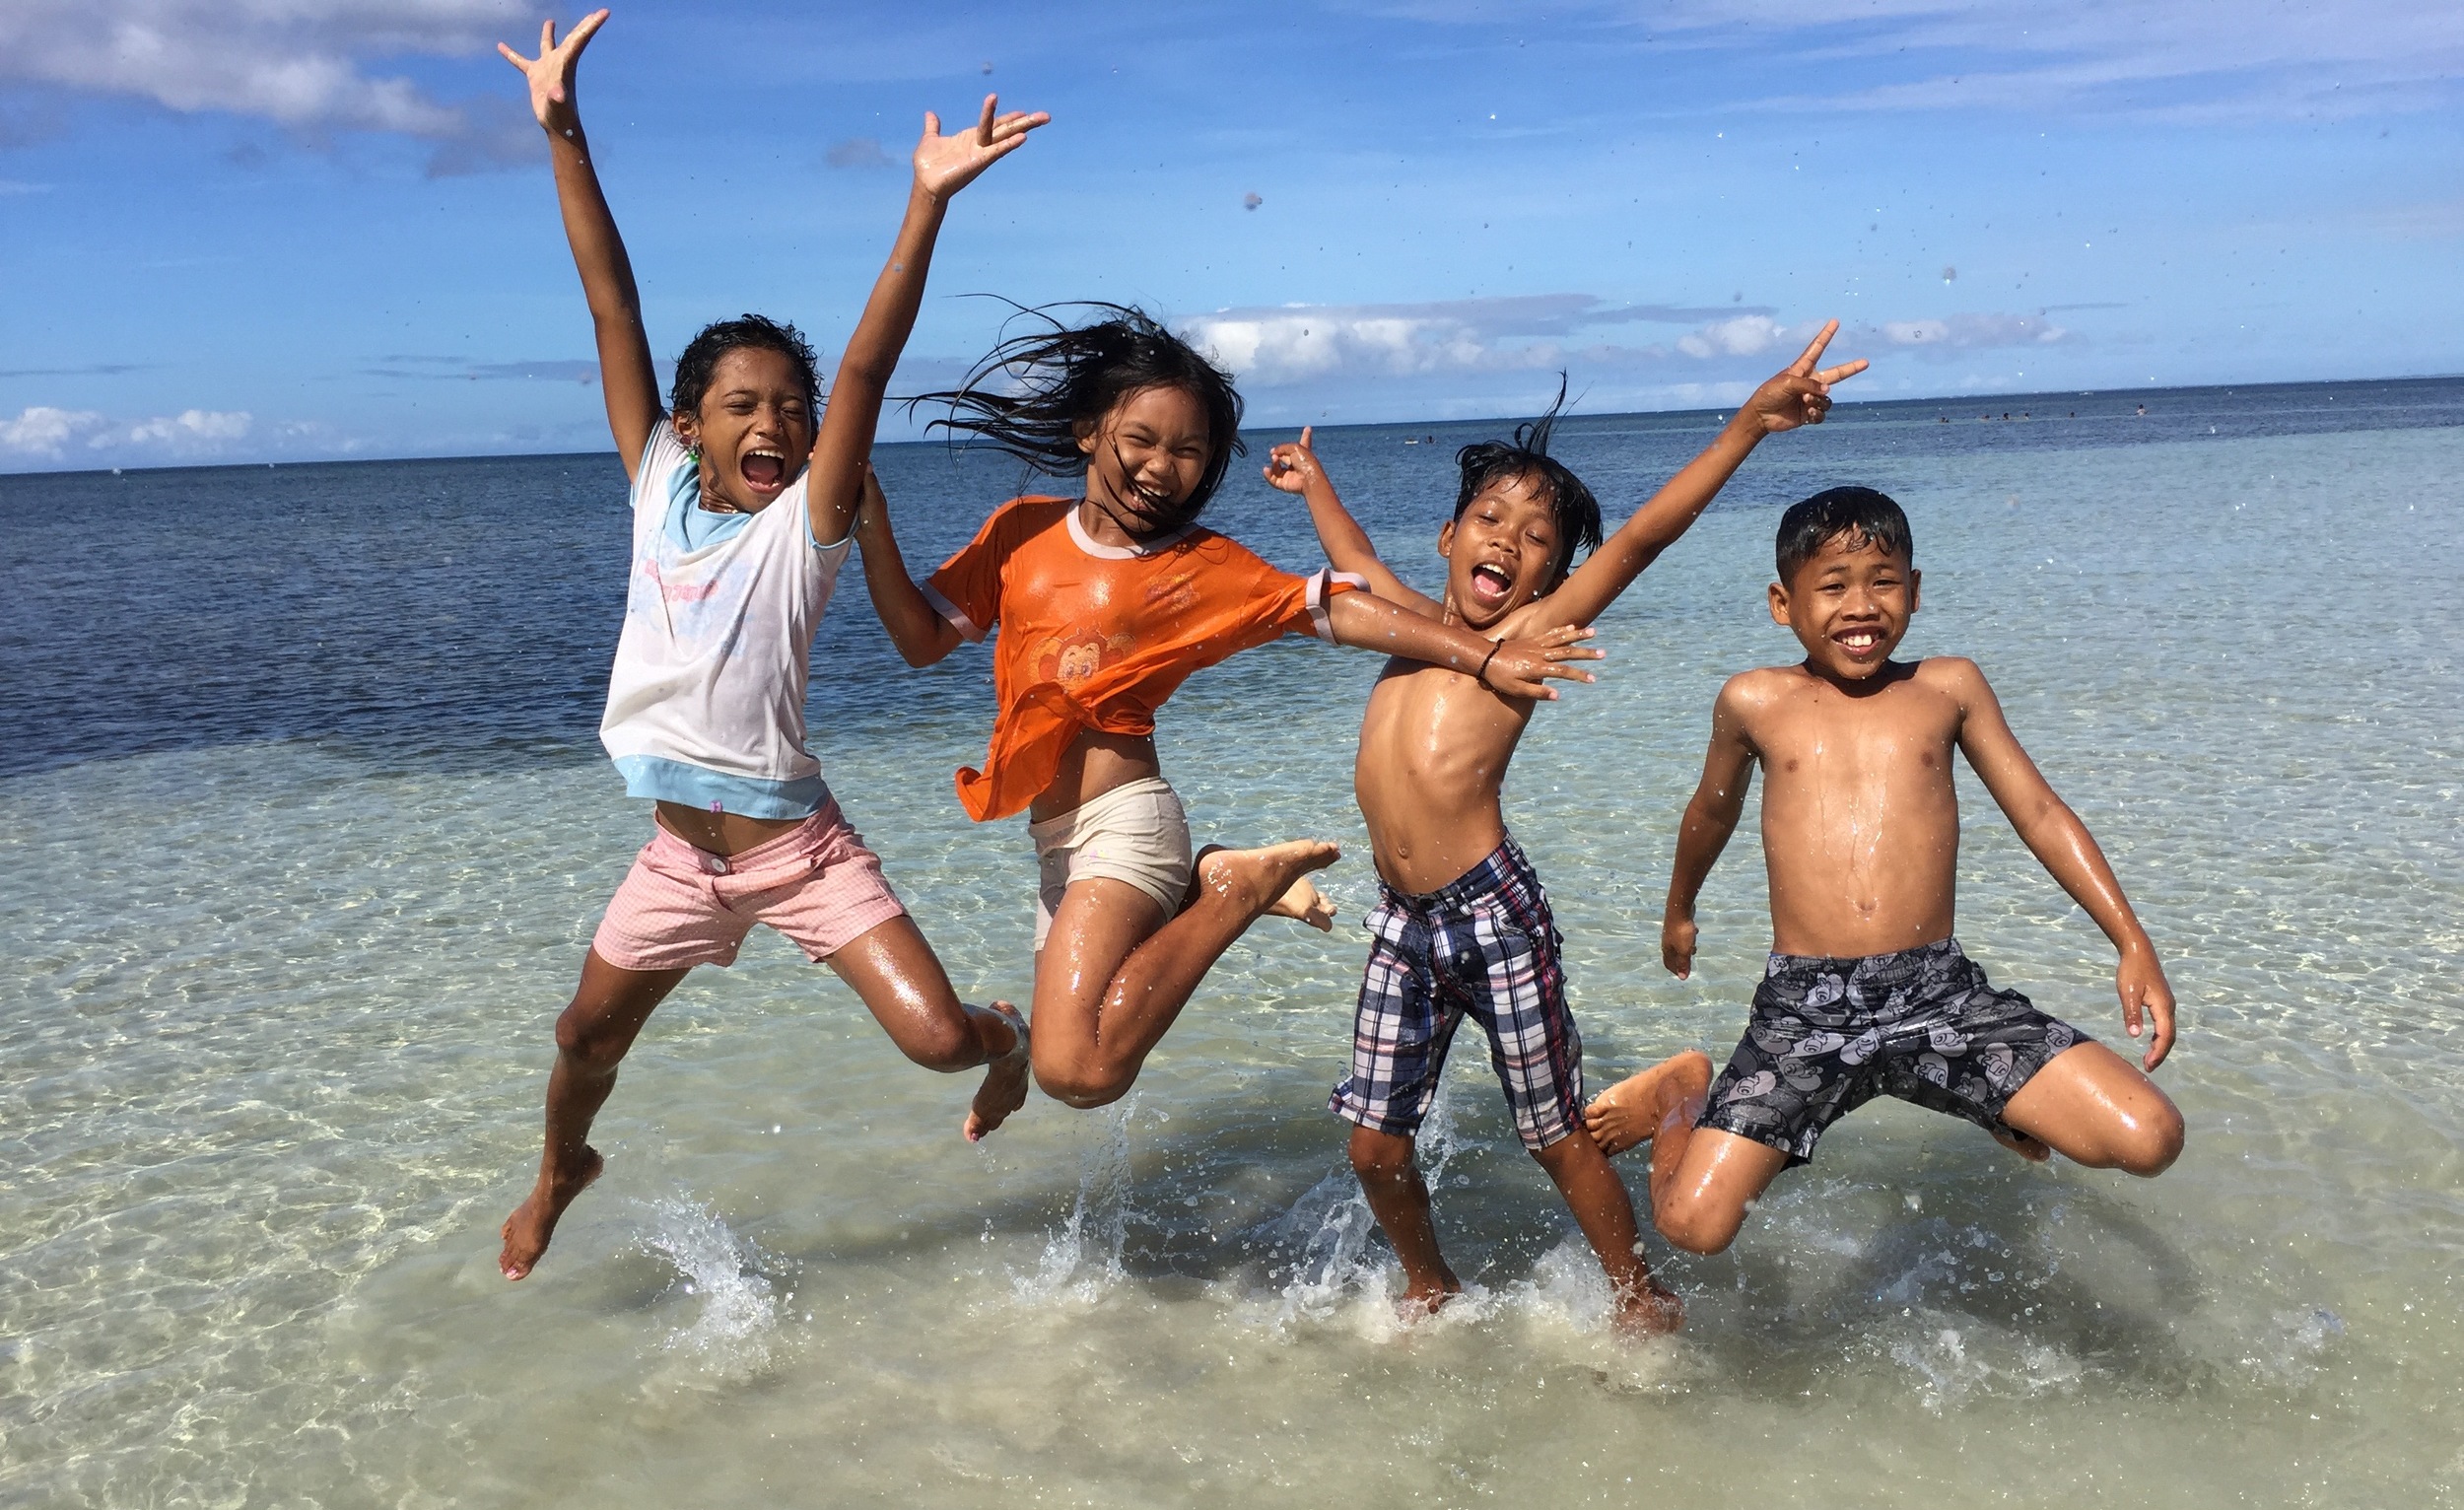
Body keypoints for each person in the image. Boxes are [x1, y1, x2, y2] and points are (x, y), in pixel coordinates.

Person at [493, 12, 1048, 1280]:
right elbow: (610, 300)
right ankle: (560, 1168)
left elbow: (865, 362)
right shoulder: (655, 485)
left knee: (934, 1044)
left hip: (797, 850)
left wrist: (924, 207)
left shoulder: (810, 524)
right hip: (679, 858)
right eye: (744, 406)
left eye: (790, 411)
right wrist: (564, 130)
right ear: (690, 428)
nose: (776, 423)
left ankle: (1002, 1036)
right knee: (584, 1041)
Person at [1264, 327, 1866, 1331]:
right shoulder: (1410, 623)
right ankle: (1429, 1285)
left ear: (1549, 577)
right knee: (1372, 1143)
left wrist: (1749, 426)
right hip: (1401, 926)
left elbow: (1641, 539)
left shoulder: (1525, 638)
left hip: (1491, 914)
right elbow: (1353, 558)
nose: (1505, 540)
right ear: (1449, 538)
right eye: (1487, 519)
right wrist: (1316, 482)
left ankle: (1638, 1291)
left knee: (1550, 1133)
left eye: (1535, 537)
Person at [850, 307, 1601, 1110]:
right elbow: (923, 638)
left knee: (1079, 1070)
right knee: (1079, 1067)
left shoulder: (1199, 563)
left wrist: (1482, 653)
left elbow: (1338, 605)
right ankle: (1201, 894)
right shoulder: (1019, 531)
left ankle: (1235, 888)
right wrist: (871, 523)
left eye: (1188, 451)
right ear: (1087, 431)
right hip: (1054, 838)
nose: (1162, 467)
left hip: (1125, 822)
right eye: (1141, 440)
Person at [1583, 485, 2186, 1260]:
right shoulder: (1755, 700)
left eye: (1883, 581)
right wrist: (1679, 909)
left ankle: (1987, 1096)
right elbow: (1711, 811)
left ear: (1916, 589)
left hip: (1940, 994)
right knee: (1691, 1226)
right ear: (1782, 602)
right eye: (1833, 585)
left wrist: (2130, 940)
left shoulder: (1947, 688)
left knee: (2150, 1135)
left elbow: (2039, 812)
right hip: (1804, 1010)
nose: (1861, 606)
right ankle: (1678, 1096)